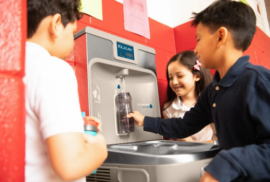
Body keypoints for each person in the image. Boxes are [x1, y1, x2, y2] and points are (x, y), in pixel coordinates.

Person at [128, 0, 270, 181]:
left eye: (199, 39)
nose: (195, 48)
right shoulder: (213, 92)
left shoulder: (258, 81)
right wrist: (145, 121)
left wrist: (226, 164)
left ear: (220, 37)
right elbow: (182, 126)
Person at [24, 0, 107, 181]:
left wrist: (74, 123)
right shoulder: (54, 68)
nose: (73, 41)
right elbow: (71, 165)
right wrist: (100, 149)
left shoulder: (16, 69)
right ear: (56, 25)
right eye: (72, 32)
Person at [162, 51, 213, 142]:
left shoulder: (211, 102)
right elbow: (172, 141)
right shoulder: (168, 109)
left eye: (180, 76)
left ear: (197, 76)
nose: (174, 82)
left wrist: (193, 144)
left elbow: (219, 141)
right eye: (170, 78)